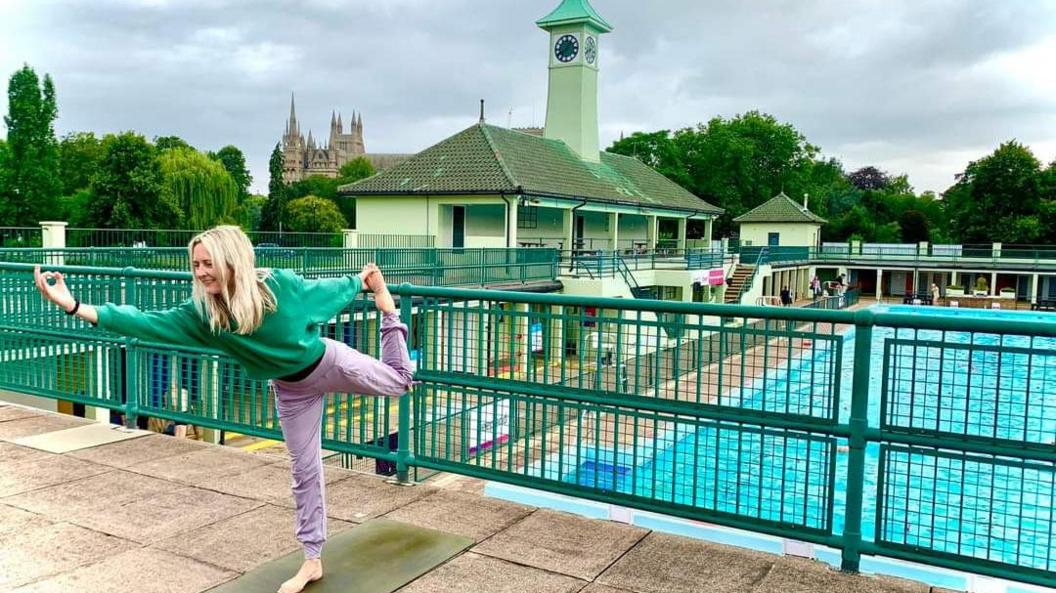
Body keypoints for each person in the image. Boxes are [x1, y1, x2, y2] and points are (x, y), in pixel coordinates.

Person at [33, 226, 413, 593]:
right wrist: (75, 306)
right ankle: (312, 559)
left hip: (328, 362)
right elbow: (146, 322)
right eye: (195, 265)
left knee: (399, 382)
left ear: (231, 260)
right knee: (304, 470)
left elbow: (332, 290)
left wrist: (368, 284)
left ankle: (391, 317)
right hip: (291, 390)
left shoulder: (279, 287)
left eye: (207, 263)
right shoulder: (204, 314)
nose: (200, 272)